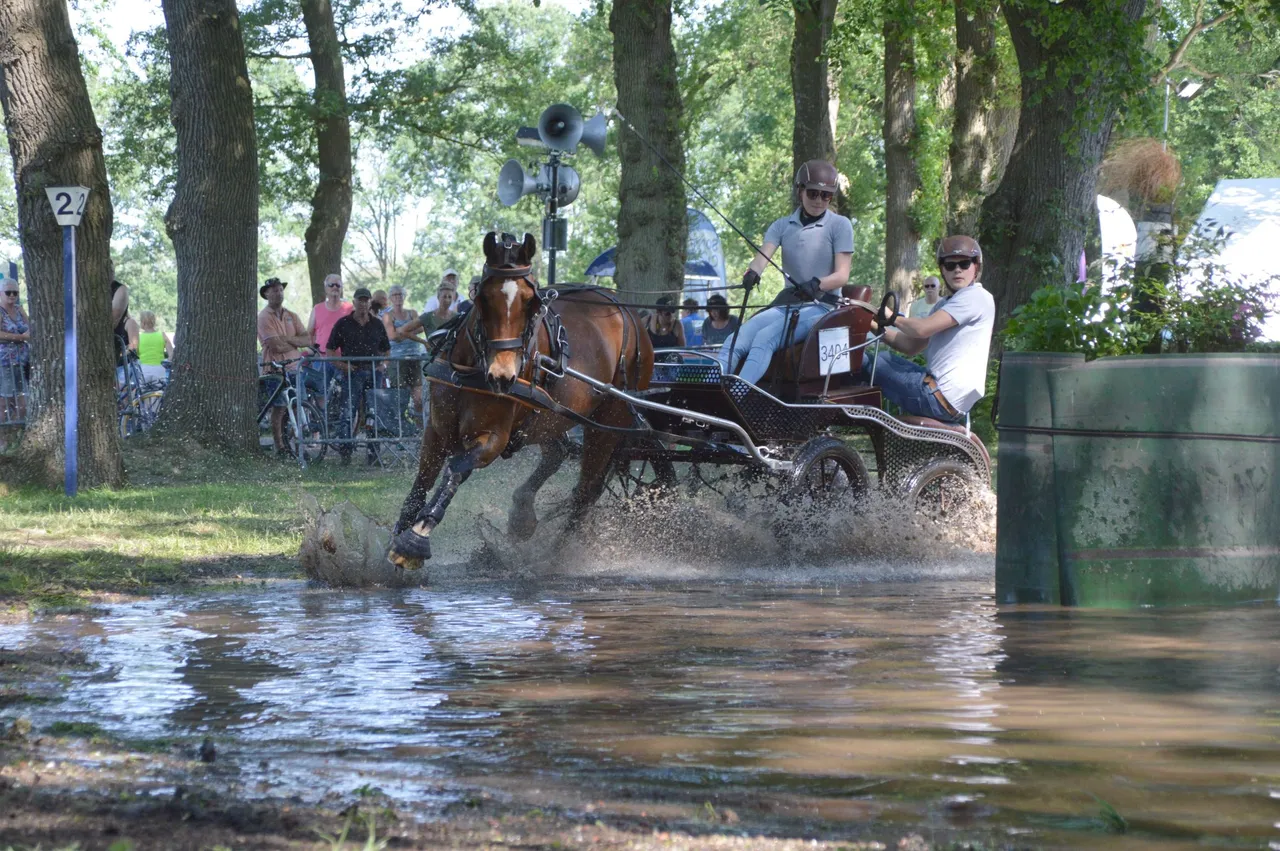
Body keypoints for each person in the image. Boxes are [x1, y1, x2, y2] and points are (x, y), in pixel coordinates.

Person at [718, 160, 853, 385]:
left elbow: (842, 275)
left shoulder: (840, 225)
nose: (819, 200)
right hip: (787, 304)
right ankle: (713, 391)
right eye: (813, 193)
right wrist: (753, 272)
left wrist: (817, 283)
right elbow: (762, 258)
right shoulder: (781, 226)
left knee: (764, 339)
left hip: (823, 306)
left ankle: (737, 396)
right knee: (735, 340)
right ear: (800, 190)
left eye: (826, 195)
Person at [864, 235, 995, 424]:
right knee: (882, 358)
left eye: (965, 264)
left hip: (937, 399)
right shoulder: (945, 304)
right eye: (950, 265)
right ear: (942, 269)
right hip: (937, 393)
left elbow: (921, 329)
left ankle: (840, 415)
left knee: (860, 362)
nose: (957, 270)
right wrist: (872, 325)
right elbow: (911, 345)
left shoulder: (976, 297)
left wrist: (891, 316)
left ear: (976, 267)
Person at [326, 287, 390, 465]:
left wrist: (383, 365)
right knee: (348, 412)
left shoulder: (377, 324)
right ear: (353, 302)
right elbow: (330, 350)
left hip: (374, 373)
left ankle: (373, 454)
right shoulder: (343, 323)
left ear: (370, 302)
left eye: (366, 300)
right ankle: (345, 454)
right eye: (359, 300)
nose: (363, 303)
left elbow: (387, 350)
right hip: (351, 374)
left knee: (373, 412)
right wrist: (342, 365)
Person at [257, 277, 312, 458]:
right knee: (279, 408)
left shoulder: (291, 315)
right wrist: (295, 343)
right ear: (266, 294)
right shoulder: (264, 317)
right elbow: (275, 346)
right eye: (274, 290)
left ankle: (296, 446)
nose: (278, 293)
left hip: (295, 367)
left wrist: (288, 340)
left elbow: (307, 339)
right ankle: (279, 446)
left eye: (280, 289)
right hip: (275, 370)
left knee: (298, 406)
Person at [382, 284, 425, 414]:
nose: (398, 297)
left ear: (404, 296)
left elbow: (422, 328)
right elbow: (391, 336)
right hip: (397, 360)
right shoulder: (387, 315)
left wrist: (400, 330)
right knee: (401, 397)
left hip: (415, 357)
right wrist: (410, 331)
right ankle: (402, 428)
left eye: (400, 294)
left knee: (419, 398)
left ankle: (420, 428)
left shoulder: (412, 312)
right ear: (390, 298)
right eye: (395, 295)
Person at [0, 277, 29, 447]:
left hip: (22, 362)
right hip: (4, 364)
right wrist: (20, 338)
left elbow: (30, 327)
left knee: (22, 402)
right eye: (8, 292)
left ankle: (14, 437)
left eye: (15, 292)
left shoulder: (19, 310)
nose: (12, 295)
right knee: (4, 402)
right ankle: (2, 442)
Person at [135, 311, 173, 385]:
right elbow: (171, 353)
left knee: (144, 394)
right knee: (158, 392)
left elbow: (135, 353)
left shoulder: (138, 337)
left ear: (142, 322)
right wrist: (168, 361)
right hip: (160, 368)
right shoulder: (162, 335)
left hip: (144, 369)